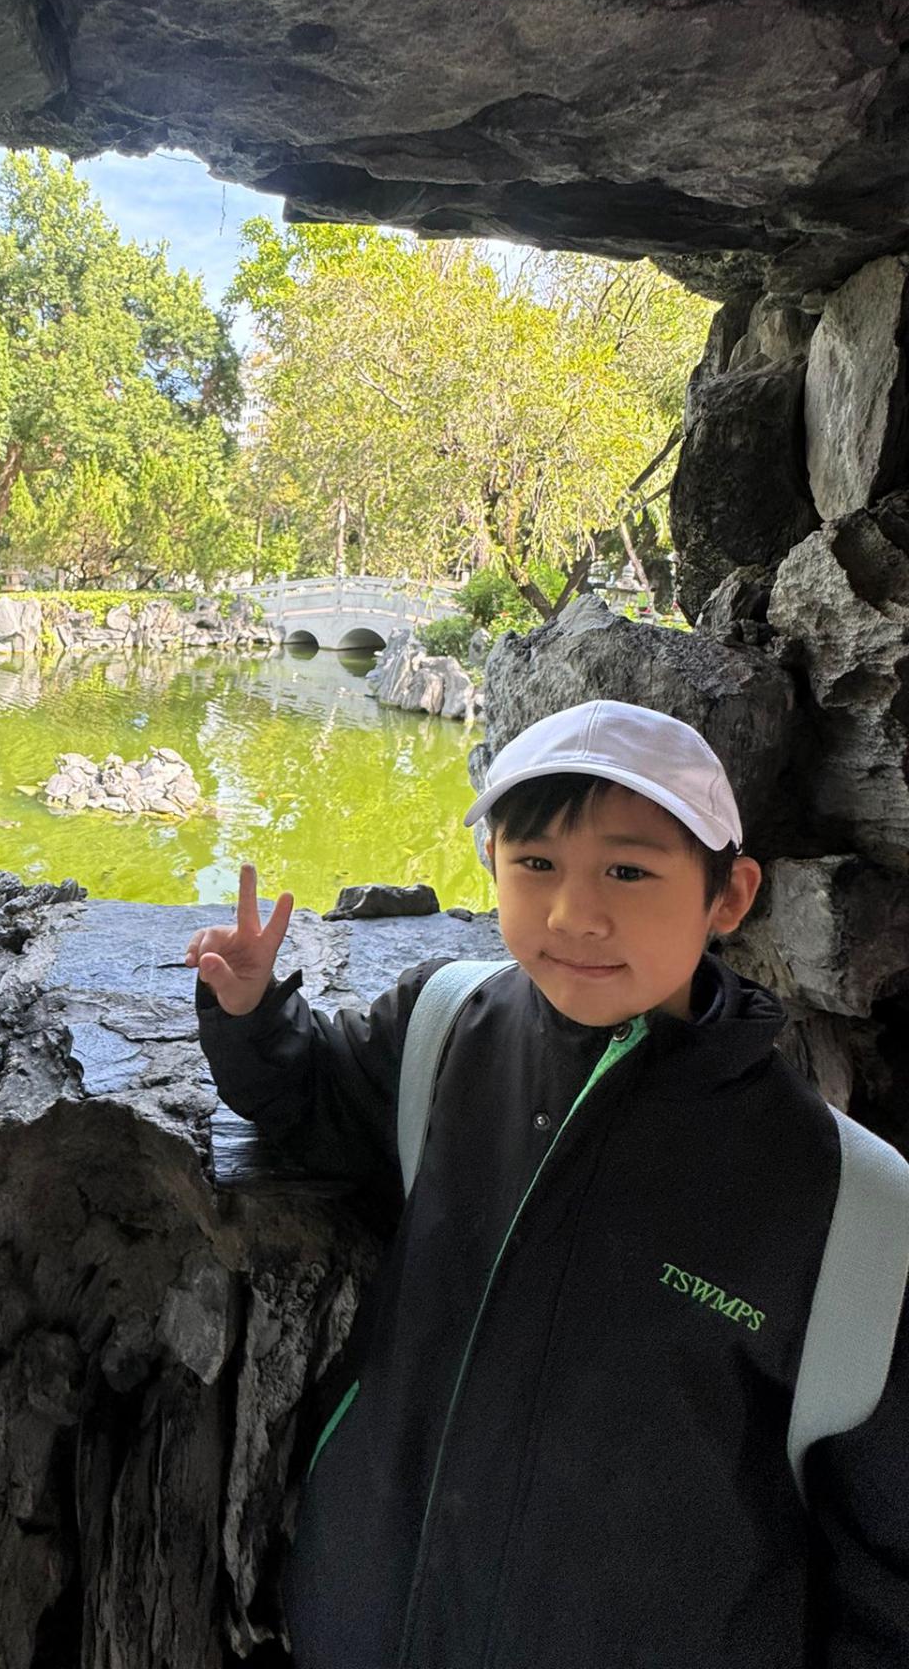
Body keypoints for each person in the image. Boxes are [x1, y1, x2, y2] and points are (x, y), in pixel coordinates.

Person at [187, 698, 909, 1669]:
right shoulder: (446, 1029)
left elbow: (887, 1568)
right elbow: (315, 1094)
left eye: (627, 871)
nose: (574, 914)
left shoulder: (841, 1204)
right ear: (491, 864)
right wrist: (250, 1015)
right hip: (367, 1622)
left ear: (729, 896)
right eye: (535, 864)